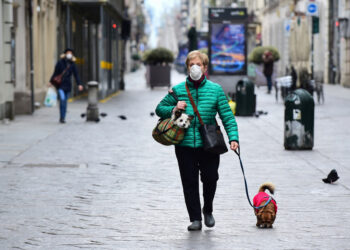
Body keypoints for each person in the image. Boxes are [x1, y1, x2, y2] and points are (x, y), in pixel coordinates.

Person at [155, 50, 239, 231]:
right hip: (184, 145)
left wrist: (233, 138)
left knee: (211, 178)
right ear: (187, 67)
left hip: (209, 144)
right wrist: (174, 107)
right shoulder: (177, 90)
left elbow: (227, 117)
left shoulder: (215, 90)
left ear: (205, 67)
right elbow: (159, 108)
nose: (195, 68)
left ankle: (207, 209)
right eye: (191, 64)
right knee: (189, 182)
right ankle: (195, 219)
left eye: (198, 64)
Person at [49, 48, 84, 123]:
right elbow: (55, 73)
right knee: (62, 100)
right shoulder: (60, 62)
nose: (69, 54)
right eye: (68, 53)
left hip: (68, 86)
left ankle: (63, 117)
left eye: (71, 53)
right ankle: (62, 117)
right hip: (60, 85)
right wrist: (51, 81)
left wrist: (79, 84)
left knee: (65, 102)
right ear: (65, 54)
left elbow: (76, 75)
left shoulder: (72, 64)